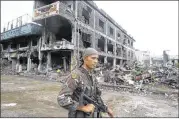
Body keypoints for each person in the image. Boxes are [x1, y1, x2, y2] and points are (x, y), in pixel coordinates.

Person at [57, 48, 114, 118]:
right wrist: (83, 108)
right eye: (93, 58)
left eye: (97, 59)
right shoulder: (76, 75)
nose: (96, 61)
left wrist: (106, 108)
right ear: (85, 59)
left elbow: (96, 96)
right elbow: (62, 98)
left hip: (92, 114)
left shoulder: (92, 75)